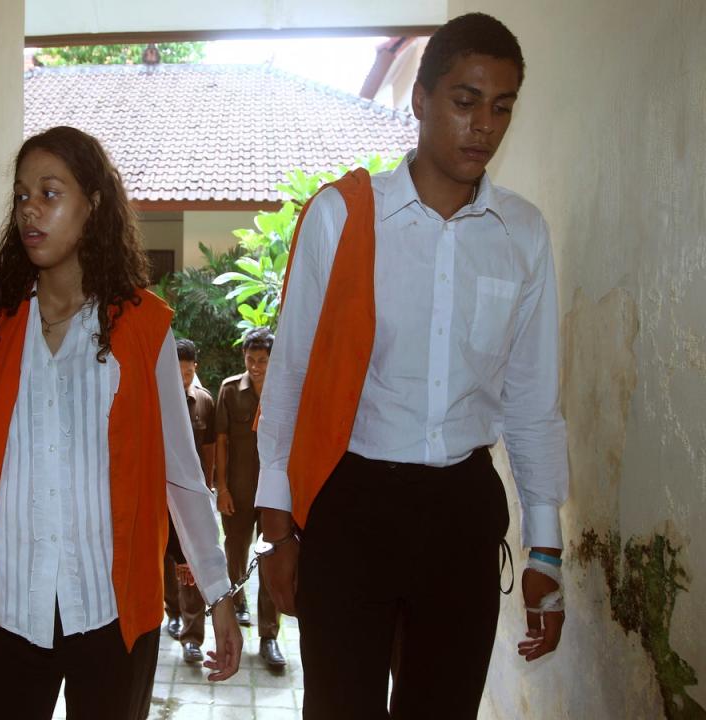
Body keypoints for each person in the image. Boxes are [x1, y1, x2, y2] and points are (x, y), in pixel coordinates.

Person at [255, 13, 569, 718]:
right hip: (352, 505)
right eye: (464, 101)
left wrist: (545, 550)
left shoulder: (521, 235)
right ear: (421, 100)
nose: (483, 125)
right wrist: (276, 531)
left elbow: (532, 401)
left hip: (461, 512)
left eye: (501, 106)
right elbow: (293, 379)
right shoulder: (342, 219)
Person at [0, 126, 241, 720]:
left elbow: (181, 475)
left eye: (49, 192)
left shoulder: (144, 330)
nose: (30, 210)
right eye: (21, 196)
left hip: (114, 615)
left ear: (93, 205)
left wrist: (217, 591)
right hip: (15, 608)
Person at [215, 327, 285, 669]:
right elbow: (222, 441)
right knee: (235, 550)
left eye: (263, 360)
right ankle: (237, 601)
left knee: (272, 559)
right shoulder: (230, 391)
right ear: (243, 357)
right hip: (239, 491)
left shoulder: (284, 391)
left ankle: (269, 636)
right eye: (251, 359)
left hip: (273, 494)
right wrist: (222, 488)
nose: (256, 366)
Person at [163, 338, 217, 663]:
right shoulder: (159, 401)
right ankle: (172, 612)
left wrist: (208, 490)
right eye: (177, 370)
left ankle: (193, 635)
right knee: (169, 560)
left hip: (192, 495)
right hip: (164, 494)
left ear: (194, 367)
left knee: (192, 562)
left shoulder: (205, 401)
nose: (183, 377)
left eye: (187, 371)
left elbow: (209, 450)